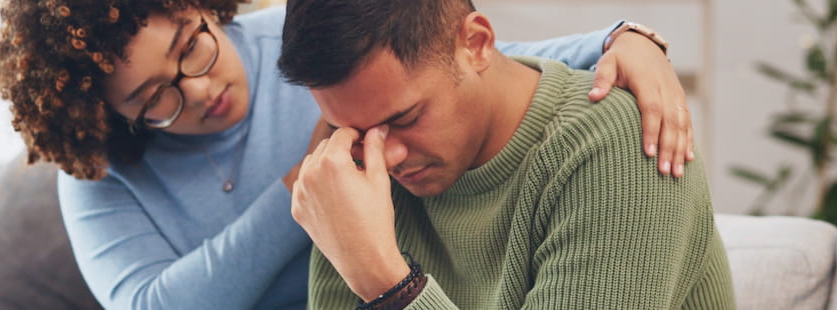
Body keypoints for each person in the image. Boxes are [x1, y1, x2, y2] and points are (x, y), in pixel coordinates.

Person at [0, 0, 695, 309]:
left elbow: (469, 62)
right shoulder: (102, 178)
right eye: (153, 99)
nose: (200, 89)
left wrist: (621, 40)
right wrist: (305, 192)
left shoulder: (313, 63)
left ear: (201, 6)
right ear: (111, 119)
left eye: (193, 46)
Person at [279, 0, 735, 309]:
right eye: (353, 130)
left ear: (476, 45)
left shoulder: (613, 146)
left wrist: (388, 284)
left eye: (405, 118)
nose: (388, 156)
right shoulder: (353, 170)